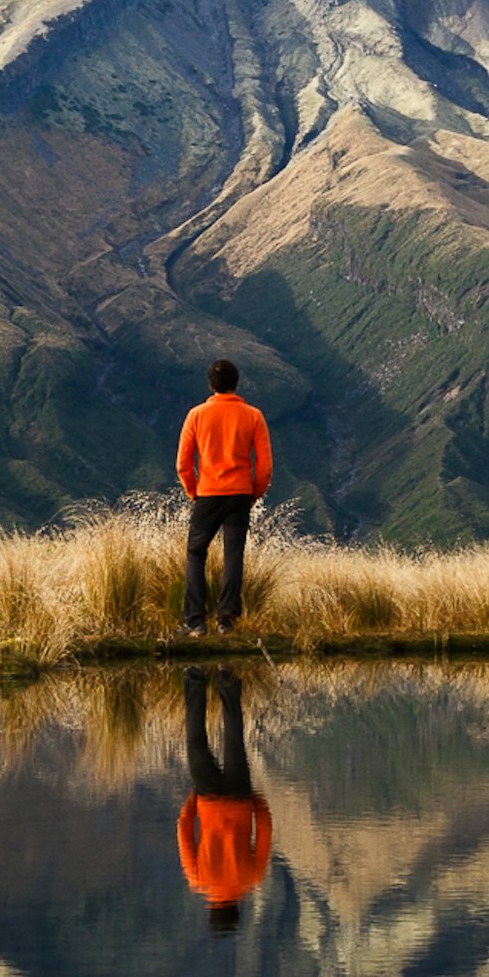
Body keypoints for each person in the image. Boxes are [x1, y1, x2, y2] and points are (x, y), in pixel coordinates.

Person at [173, 358, 272, 635]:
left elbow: (182, 462)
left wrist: (193, 490)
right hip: (240, 493)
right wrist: (255, 492)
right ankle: (226, 621)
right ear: (236, 384)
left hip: (208, 494)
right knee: (233, 556)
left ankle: (195, 621)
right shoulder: (253, 416)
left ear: (210, 385)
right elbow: (264, 466)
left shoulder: (196, 415)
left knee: (195, 553)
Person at [174, 669, 271, 931]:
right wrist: (193, 800)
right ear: (212, 908)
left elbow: (264, 833)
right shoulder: (197, 880)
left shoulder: (252, 878)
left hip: (240, 799)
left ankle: (227, 678)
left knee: (234, 737)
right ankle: (195, 675)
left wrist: (257, 802)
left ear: (236, 907)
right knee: (195, 741)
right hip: (208, 797)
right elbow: (184, 832)